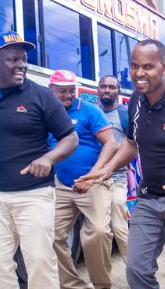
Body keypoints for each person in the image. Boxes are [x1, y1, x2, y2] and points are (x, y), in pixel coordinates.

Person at [77, 39, 165, 289]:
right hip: (150, 196)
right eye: (134, 66)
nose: (139, 73)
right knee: (136, 270)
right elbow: (131, 145)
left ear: (164, 68)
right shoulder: (135, 101)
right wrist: (105, 170)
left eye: (147, 67)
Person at [0, 31, 78, 289]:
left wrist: (48, 158)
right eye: (13, 59)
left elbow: (70, 138)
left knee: (40, 264)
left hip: (34, 196)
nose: (21, 64)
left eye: (23, 59)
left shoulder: (42, 96)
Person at [49, 70, 118, 289]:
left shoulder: (89, 110)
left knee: (98, 232)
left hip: (93, 184)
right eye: (62, 91)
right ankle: (71, 284)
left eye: (72, 90)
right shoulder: (47, 114)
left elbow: (111, 143)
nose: (68, 95)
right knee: (50, 234)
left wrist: (94, 175)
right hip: (62, 185)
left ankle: (101, 285)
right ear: (51, 90)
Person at [96, 74, 130, 261]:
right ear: (98, 89)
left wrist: (116, 148)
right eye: (103, 86)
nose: (107, 90)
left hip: (116, 178)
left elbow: (134, 144)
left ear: (118, 91)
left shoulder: (124, 113)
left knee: (119, 227)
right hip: (94, 178)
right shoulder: (93, 111)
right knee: (99, 231)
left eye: (112, 87)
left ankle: (136, 274)